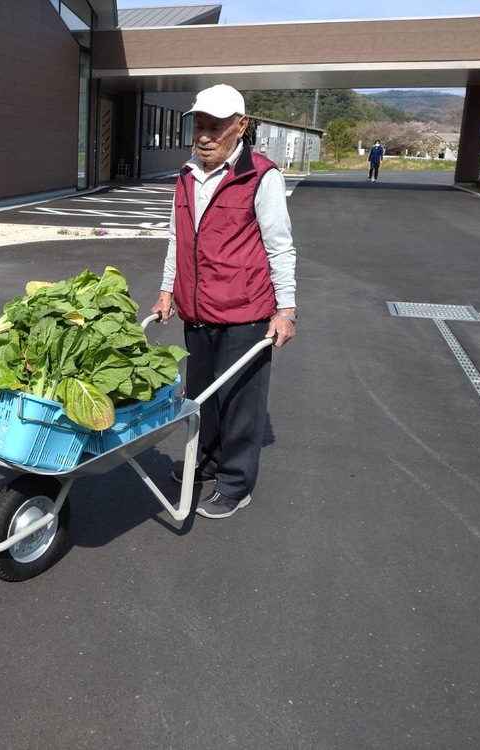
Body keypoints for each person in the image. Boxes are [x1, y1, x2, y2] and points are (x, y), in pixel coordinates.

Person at [151, 84, 296, 520]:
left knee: (239, 402)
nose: (205, 135)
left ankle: (236, 481)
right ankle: (208, 462)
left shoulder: (261, 176)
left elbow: (280, 247)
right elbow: (178, 238)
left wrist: (285, 310)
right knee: (201, 397)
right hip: (196, 311)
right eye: (199, 124)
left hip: (244, 313)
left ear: (241, 125)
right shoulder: (185, 174)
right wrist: (166, 289)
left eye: (215, 126)